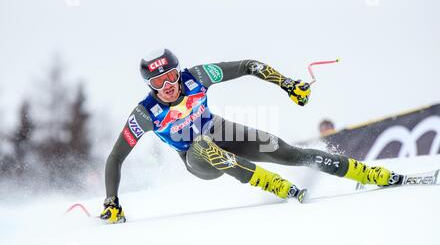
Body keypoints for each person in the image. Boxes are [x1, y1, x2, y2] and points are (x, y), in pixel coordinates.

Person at [100, 49, 402, 223]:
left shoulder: (198, 76)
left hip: (221, 131)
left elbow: (248, 66)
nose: (168, 85)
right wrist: (111, 201)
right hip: (196, 158)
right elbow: (115, 158)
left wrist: (286, 83)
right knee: (204, 145)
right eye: (158, 81)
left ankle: (368, 173)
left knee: (289, 153)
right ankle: (274, 184)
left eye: (171, 76)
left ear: (179, 73)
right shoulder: (145, 113)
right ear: (149, 86)